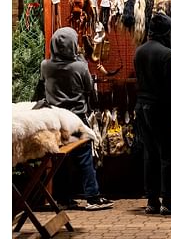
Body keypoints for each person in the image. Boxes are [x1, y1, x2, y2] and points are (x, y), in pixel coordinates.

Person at [40, 27, 114, 211]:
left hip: (55, 118)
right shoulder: (79, 66)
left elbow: (43, 84)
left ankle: (63, 198)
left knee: (60, 159)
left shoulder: (45, 66)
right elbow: (88, 87)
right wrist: (80, 59)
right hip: (76, 117)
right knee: (84, 157)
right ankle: (92, 196)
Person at [133, 12, 171, 215]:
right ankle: (168, 201)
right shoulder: (166, 54)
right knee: (168, 155)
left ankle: (152, 201)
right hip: (162, 110)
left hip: (143, 108)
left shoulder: (139, 51)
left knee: (150, 154)